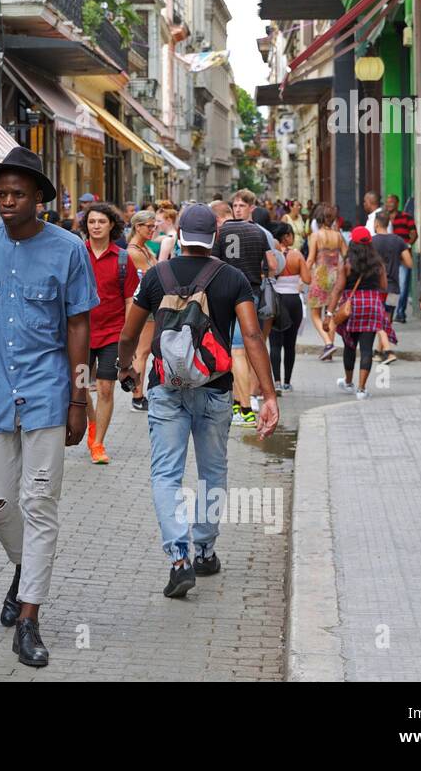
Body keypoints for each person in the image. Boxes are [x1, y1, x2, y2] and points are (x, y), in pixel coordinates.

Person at [0, 147, 98, 668]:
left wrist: (79, 399)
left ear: (40, 197)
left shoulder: (68, 250)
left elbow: (79, 326)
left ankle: (29, 618)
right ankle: (25, 567)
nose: (8, 202)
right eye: (1, 195)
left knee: (39, 504)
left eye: (18, 194)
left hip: (47, 394)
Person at [116, 203, 278, 599]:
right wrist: (268, 394)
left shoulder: (156, 276)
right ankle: (204, 548)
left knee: (166, 474)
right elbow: (253, 336)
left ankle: (179, 558)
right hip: (215, 386)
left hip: (166, 388)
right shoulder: (233, 278)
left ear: (180, 236)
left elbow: (128, 331)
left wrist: (126, 368)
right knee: (213, 470)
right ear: (215, 239)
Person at [212, 190, 281, 428]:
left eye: (240, 205)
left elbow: (214, 263)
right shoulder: (259, 232)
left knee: (234, 351)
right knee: (244, 348)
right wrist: (261, 276)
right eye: (237, 205)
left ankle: (244, 407)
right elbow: (272, 265)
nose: (238, 208)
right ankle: (240, 402)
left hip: (223, 293)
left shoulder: (221, 233)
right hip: (249, 293)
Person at [82, 203, 139, 465]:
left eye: (101, 222)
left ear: (111, 225)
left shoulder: (122, 258)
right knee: (79, 387)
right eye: (92, 222)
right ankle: (92, 422)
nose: (96, 226)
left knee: (105, 388)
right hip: (80, 335)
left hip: (111, 335)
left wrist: (128, 337)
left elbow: (130, 301)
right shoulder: (77, 254)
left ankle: (98, 443)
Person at [328, 227, 393, 400]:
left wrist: (329, 313)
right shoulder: (378, 263)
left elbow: (338, 289)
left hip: (352, 306)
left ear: (353, 243)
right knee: (366, 348)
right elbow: (384, 286)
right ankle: (362, 389)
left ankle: (348, 382)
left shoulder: (347, 264)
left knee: (350, 346)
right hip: (372, 305)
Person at [304, 203, 347, 361]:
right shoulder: (338, 235)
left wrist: (302, 279)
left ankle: (328, 343)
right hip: (335, 275)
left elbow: (310, 259)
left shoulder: (316, 236)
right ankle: (329, 348)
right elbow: (347, 256)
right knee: (332, 312)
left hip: (320, 275)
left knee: (315, 313)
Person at [125, 210, 157, 412]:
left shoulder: (143, 249)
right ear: (138, 227)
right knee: (142, 353)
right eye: (149, 226)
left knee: (143, 352)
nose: (153, 230)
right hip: (143, 306)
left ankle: (138, 394)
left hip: (148, 305)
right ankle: (137, 396)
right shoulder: (134, 251)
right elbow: (152, 276)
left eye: (154, 226)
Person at [267, 223, 305, 392]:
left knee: (274, 344)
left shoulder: (272, 255)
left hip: (275, 299)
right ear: (287, 236)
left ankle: (276, 381)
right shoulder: (297, 256)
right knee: (290, 344)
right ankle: (287, 381)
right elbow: (307, 278)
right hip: (293, 300)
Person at [370, 210, 411, 365]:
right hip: (393, 288)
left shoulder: (372, 242)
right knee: (387, 319)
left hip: (378, 288)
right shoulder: (398, 241)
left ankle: (386, 351)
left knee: (378, 320)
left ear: (376, 223)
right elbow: (409, 263)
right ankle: (378, 352)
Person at [384, 195, 417, 322]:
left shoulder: (406, 217)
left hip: (403, 257)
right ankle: (389, 311)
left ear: (397, 203)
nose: (389, 204)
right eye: (387, 202)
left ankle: (400, 312)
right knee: (390, 286)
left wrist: (407, 245)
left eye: (392, 202)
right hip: (388, 258)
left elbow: (414, 234)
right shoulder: (383, 218)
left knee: (403, 286)